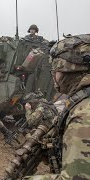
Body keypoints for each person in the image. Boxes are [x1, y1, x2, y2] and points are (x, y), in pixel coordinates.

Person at [26, 34, 90, 179]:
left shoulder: (83, 113)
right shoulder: (80, 101)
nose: (54, 75)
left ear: (68, 69)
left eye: (56, 70)